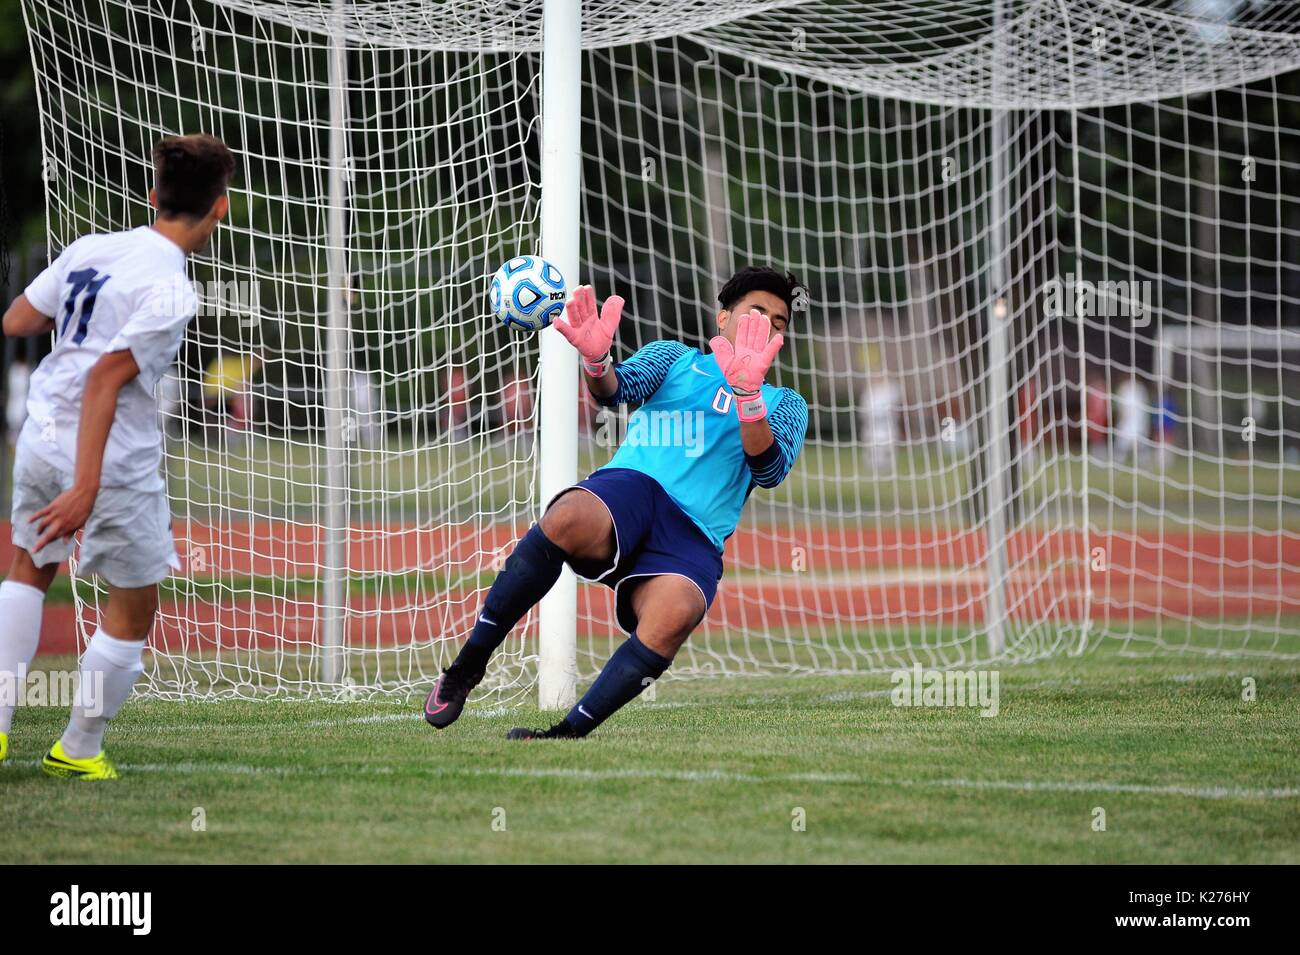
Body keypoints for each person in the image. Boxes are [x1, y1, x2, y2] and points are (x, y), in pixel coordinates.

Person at [423, 266, 809, 739]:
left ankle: (566, 734)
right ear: (723, 318)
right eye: (756, 312)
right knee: (568, 517)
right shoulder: (674, 358)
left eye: (778, 321)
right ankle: (466, 668)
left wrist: (748, 397)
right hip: (634, 490)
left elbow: (768, 472)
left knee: (678, 612)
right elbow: (615, 390)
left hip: (695, 535)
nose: (766, 324)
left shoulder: (786, 404)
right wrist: (596, 360)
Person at [0, 133, 234, 778]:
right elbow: (106, 378)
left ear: (154, 195)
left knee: (29, 567)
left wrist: (85, 321)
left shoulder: (91, 248)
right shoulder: (172, 287)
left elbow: (18, 319)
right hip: (110, 458)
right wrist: (85, 486)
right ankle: (77, 749)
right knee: (134, 603)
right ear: (220, 207)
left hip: (41, 434)